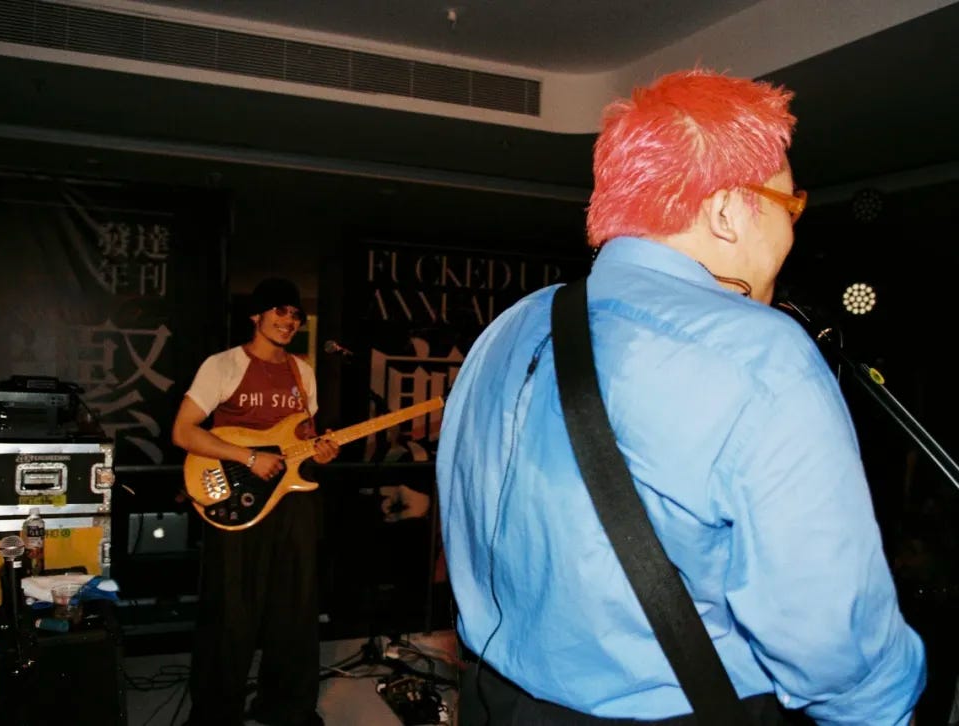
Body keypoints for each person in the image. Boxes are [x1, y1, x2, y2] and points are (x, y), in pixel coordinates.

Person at [436, 68, 926, 725]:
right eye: (789, 206)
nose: (791, 230)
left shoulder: (509, 328)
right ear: (727, 212)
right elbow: (832, 642)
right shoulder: (760, 354)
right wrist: (888, 704)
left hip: (495, 702)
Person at [173, 277, 340, 726]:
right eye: (280, 311)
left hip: (291, 498)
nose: (289, 321)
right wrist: (248, 457)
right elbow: (184, 431)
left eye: (295, 314)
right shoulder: (223, 365)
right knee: (231, 607)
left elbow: (303, 439)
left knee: (296, 605)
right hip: (238, 496)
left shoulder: (303, 371)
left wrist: (321, 451)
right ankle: (215, 714)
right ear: (256, 315)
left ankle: (287, 707)